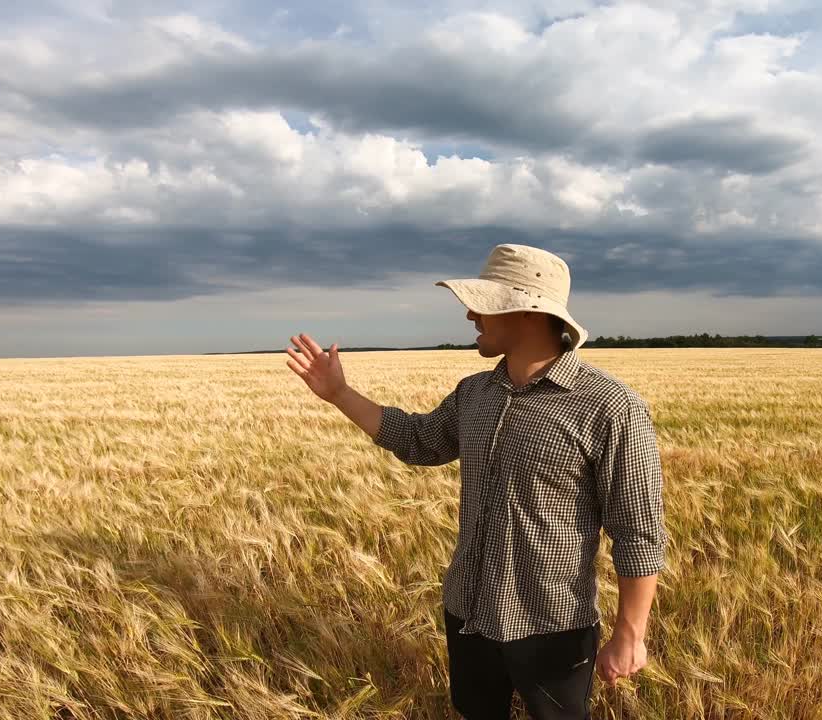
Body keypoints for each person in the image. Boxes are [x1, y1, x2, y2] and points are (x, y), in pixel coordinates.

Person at [285, 243, 667, 720]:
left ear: (527, 312)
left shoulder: (610, 407)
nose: (469, 314)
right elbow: (419, 439)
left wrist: (630, 634)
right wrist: (339, 394)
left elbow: (638, 531)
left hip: (552, 626)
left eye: (482, 303)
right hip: (468, 613)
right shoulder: (475, 394)